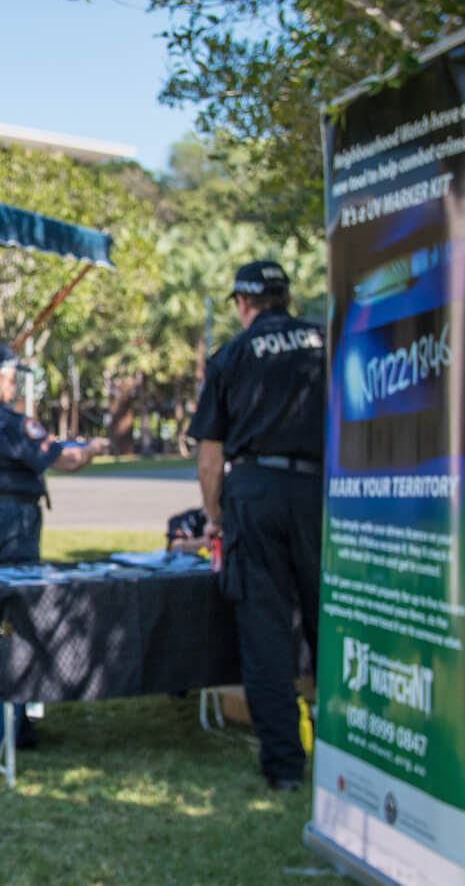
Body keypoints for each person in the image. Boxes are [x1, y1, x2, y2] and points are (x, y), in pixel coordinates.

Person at [185, 259, 325, 792]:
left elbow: (208, 458)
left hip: (254, 492)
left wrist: (216, 516)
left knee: (265, 633)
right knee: (328, 623)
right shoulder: (324, 339)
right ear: (285, 298)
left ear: (243, 304)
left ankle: (285, 767)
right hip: (319, 490)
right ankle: (341, 748)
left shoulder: (231, 356)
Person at [0, 342, 92, 566]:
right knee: (15, 589)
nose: (15, 387)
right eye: (13, 379)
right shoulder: (10, 423)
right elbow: (66, 462)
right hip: (9, 517)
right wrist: (93, 449)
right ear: (0, 379)